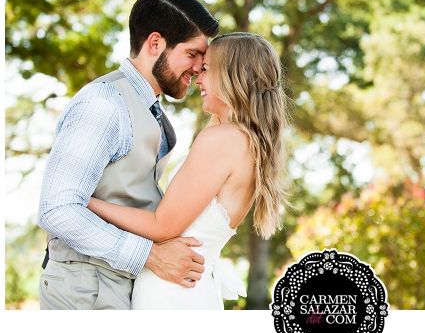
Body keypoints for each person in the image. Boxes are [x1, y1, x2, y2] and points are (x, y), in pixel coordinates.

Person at [38, 0, 220, 310]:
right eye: (192, 54)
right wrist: (149, 255)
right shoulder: (104, 104)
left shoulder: (151, 111)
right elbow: (57, 208)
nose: (199, 68)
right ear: (155, 44)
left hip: (115, 287)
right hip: (84, 291)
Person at [87, 32, 289, 309]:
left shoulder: (222, 139)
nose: (198, 78)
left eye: (206, 69)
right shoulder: (249, 144)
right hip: (192, 288)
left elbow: (162, 227)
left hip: (172, 292)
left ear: (232, 76)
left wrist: (85, 201)